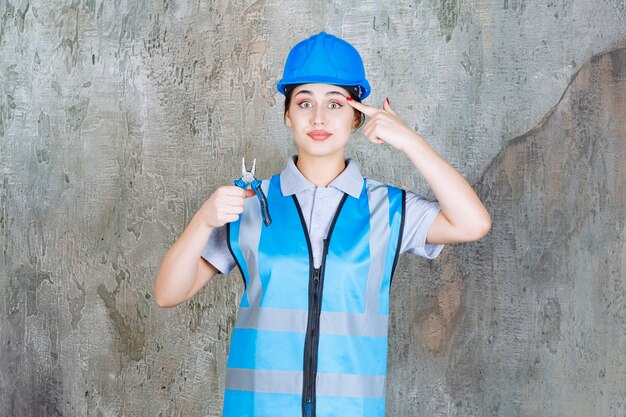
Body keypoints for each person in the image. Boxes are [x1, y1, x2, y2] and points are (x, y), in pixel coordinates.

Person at [154, 31, 491, 417]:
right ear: (287, 114)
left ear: (356, 116)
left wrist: (410, 141)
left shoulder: (389, 209)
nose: (318, 117)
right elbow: (167, 293)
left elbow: (473, 223)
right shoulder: (248, 202)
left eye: (335, 103)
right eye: (304, 103)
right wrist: (202, 220)